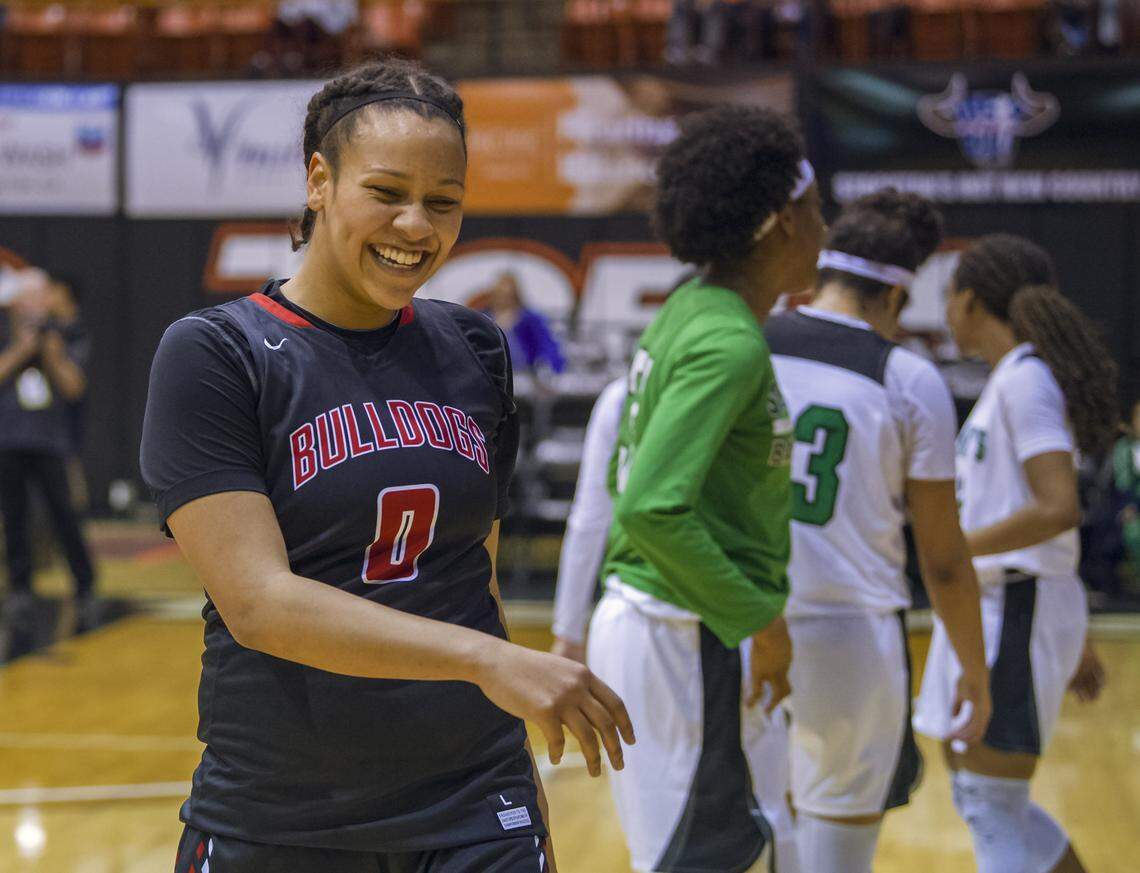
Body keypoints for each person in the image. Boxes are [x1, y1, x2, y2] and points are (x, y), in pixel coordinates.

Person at [140, 58, 633, 873]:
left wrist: (518, 781)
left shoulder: (475, 347)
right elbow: (260, 603)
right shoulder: (217, 353)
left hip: (477, 801)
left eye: (444, 202)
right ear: (319, 180)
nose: (417, 225)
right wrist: (487, 660)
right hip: (285, 814)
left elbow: (477, 571)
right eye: (388, 192)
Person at [586, 105, 824, 873]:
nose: (828, 228)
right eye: (819, 211)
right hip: (681, 630)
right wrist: (762, 617)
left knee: (758, 848)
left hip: (678, 627)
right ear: (783, 223)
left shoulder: (694, 307)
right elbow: (650, 507)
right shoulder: (726, 339)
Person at [765, 190, 990, 873]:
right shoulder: (906, 374)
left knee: (765, 831)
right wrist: (975, 670)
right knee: (840, 848)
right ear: (896, 298)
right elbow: (944, 559)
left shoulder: (750, 337)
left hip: (745, 619)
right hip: (852, 633)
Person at [913, 234, 1114, 873]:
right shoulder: (1018, 378)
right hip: (1013, 604)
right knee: (987, 791)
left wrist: (953, 547)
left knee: (988, 795)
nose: (945, 312)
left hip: (1017, 606)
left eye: (948, 298)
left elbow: (1057, 507)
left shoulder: (1026, 380)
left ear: (969, 301)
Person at [0, 270, 96, 628]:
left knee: (64, 514)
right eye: (26, 297)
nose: (33, 305)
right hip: (9, 439)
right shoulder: (6, 333)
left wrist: (52, 355)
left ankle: (85, 585)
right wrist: (21, 350)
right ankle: (21, 588)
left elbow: (74, 387)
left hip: (50, 440)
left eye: (40, 297)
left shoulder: (66, 333)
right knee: (15, 517)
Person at [482, 272, 566, 376]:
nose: (504, 300)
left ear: (516, 296)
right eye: (500, 295)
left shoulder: (531, 320)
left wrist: (549, 366)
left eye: (508, 296)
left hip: (525, 374)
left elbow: (548, 346)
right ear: (494, 295)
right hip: (491, 374)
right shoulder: (483, 318)